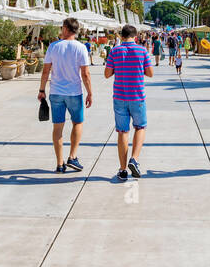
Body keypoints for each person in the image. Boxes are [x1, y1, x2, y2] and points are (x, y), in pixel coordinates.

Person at [38, 17, 93, 174]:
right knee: (77, 123)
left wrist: (42, 90)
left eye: (62, 27)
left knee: (58, 127)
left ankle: (59, 163)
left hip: (56, 92)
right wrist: (90, 92)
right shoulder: (81, 48)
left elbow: (46, 71)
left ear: (66, 29)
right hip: (74, 92)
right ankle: (72, 156)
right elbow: (85, 74)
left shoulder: (53, 47)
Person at [104, 24, 153, 181]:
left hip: (119, 97)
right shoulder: (142, 51)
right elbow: (150, 73)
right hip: (137, 97)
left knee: (122, 132)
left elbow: (107, 74)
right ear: (135, 36)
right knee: (140, 127)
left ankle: (123, 169)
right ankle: (134, 159)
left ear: (121, 36)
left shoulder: (115, 51)